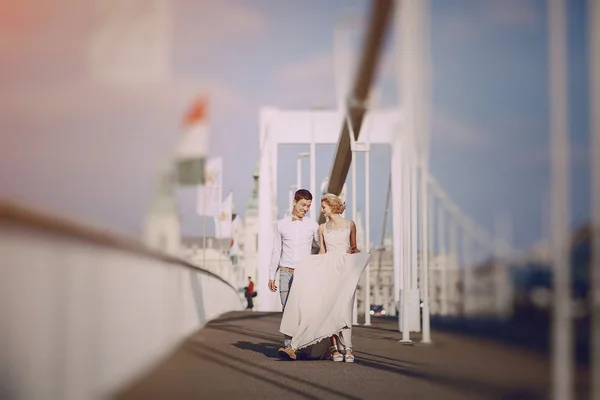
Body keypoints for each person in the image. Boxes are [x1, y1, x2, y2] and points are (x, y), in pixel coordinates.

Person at [279, 193, 370, 362]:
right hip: (327, 270)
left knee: (343, 307)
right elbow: (322, 253)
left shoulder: (350, 224)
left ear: (332, 205)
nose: (321, 210)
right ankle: (333, 349)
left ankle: (348, 348)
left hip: (344, 270)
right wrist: (306, 267)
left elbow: (354, 247)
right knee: (326, 308)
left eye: (323, 207)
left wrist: (363, 259)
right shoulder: (322, 228)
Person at [267, 189, 319, 359]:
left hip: (304, 273)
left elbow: (322, 245)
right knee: (286, 309)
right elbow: (276, 252)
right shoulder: (282, 224)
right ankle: (289, 347)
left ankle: (299, 344)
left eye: (309, 206)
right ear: (295, 202)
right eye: (303, 204)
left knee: (302, 310)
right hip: (284, 272)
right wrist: (271, 275)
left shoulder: (312, 225)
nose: (305, 208)